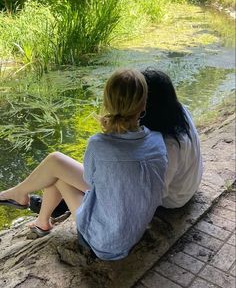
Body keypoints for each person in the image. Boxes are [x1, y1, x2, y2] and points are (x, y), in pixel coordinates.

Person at [0, 68, 167, 260]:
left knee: (57, 175)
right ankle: (38, 218)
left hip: (104, 242)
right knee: (56, 163)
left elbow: (89, 180)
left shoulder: (99, 143)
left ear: (107, 102)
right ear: (143, 103)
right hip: (134, 231)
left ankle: (26, 202)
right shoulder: (157, 140)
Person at [140, 68, 203, 208]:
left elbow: (158, 194)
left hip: (176, 198)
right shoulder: (180, 110)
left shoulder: (168, 144)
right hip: (192, 180)